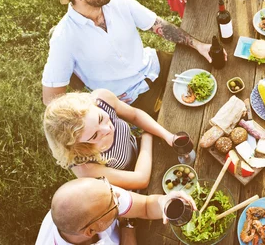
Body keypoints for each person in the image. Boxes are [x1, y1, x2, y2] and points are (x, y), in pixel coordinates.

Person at [42, 0, 222, 113]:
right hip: (131, 100)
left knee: (216, 75)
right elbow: (51, 99)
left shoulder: (117, 1)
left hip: (155, 65)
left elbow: (158, 25)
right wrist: (95, 110)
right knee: (188, 119)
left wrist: (199, 45)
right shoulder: (63, 38)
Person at [44, 89, 173, 190]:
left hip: (147, 151)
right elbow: (140, 180)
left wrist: (167, 135)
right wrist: (146, 137)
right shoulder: (84, 166)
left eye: (100, 118)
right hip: (141, 183)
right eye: (94, 135)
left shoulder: (102, 99)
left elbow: (134, 115)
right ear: (77, 145)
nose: (107, 129)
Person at [35, 176, 196, 245]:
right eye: (113, 204)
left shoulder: (100, 195)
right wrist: (127, 229)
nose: (118, 194)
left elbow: (146, 206)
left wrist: (163, 201)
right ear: (91, 231)